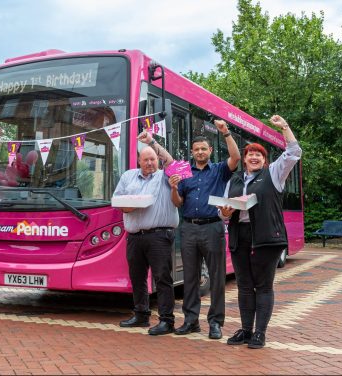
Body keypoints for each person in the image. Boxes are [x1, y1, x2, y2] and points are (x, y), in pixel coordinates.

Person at [219, 115, 301, 349]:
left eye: (259, 155)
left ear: (265, 160)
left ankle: (260, 333)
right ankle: (246, 330)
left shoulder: (275, 173)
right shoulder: (234, 180)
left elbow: (294, 152)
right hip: (239, 236)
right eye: (250, 154)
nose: (254, 157)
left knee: (263, 286)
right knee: (244, 285)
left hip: (266, 238)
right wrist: (225, 212)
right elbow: (224, 212)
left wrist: (285, 127)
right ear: (244, 159)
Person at [169, 119, 240, 339]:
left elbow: (236, 158)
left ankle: (215, 322)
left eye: (203, 149)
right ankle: (191, 321)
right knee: (190, 278)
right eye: (196, 149)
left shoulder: (219, 170)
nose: (200, 152)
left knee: (217, 277)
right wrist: (173, 188)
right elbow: (178, 202)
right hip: (189, 228)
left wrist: (226, 133)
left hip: (213, 228)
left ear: (210, 150)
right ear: (192, 152)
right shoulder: (183, 172)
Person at [113, 130, 180, 336]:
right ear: (139, 161)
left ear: (157, 161)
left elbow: (173, 163)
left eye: (153, 159)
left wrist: (152, 142)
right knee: (137, 277)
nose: (150, 163)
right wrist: (129, 207)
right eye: (146, 159)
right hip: (134, 236)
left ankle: (167, 320)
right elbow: (117, 200)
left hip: (159, 235)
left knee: (162, 278)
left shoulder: (165, 175)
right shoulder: (128, 176)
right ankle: (141, 314)